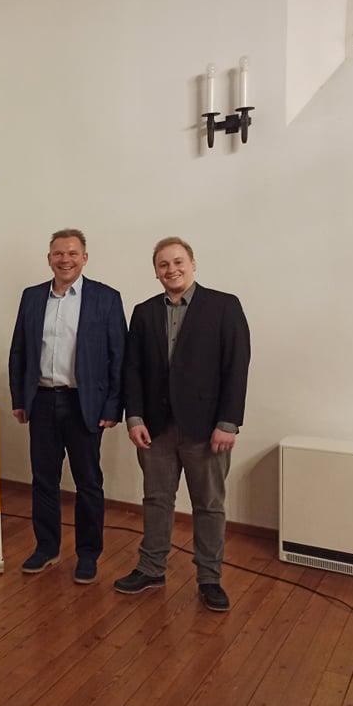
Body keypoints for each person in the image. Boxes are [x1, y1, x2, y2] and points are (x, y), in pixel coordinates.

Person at [113, 236, 250, 612]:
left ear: (192, 264)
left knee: (209, 504)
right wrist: (134, 417)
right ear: (156, 272)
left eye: (177, 262)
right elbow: (132, 369)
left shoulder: (223, 306)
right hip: (156, 428)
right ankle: (151, 569)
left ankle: (209, 578)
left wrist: (228, 422)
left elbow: (236, 366)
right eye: (163, 264)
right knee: (156, 501)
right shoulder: (143, 312)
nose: (171, 269)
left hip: (207, 429)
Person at [9, 229, 126, 585]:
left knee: (88, 483)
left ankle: (88, 554)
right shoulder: (32, 297)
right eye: (58, 253)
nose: (65, 260)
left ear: (84, 258)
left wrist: (113, 406)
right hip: (42, 401)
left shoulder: (106, 298)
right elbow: (19, 351)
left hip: (84, 404)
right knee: (44, 480)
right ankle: (47, 547)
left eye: (73, 253)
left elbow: (118, 357)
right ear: (49, 259)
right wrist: (19, 399)